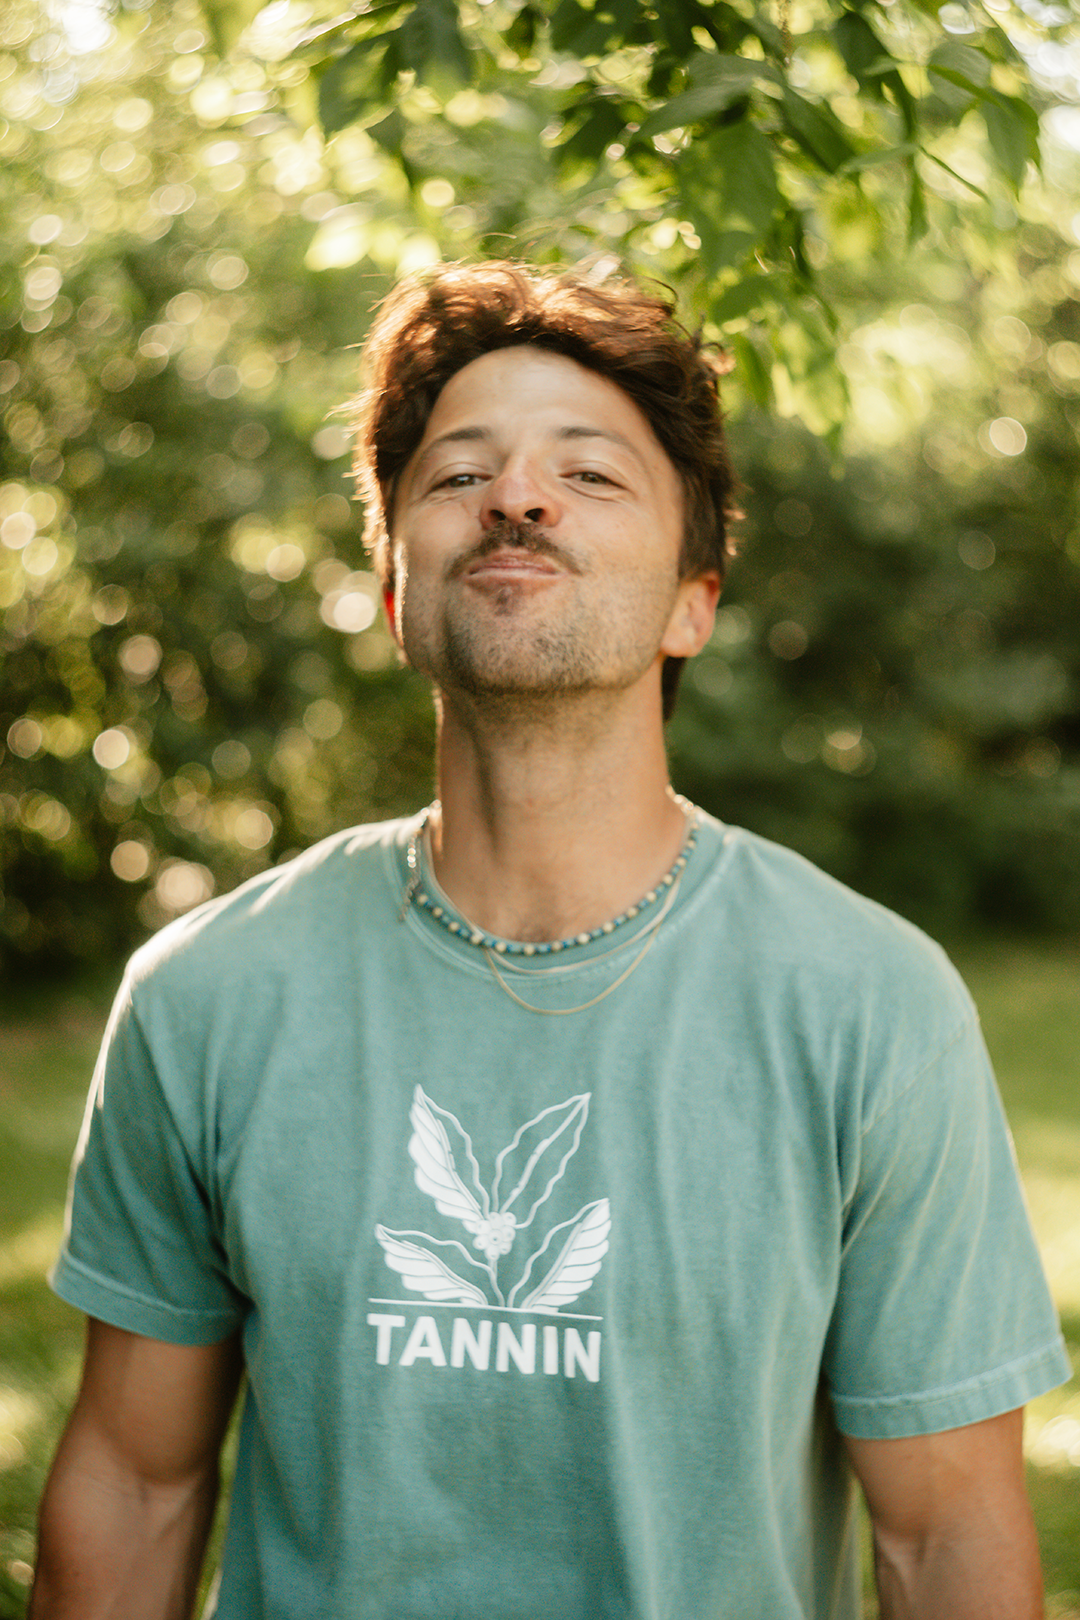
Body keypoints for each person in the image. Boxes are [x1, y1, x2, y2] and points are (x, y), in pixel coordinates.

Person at [32, 261, 1068, 1620]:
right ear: (396, 594)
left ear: (695, 600)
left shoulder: (868, 1005)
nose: (517, 496)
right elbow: (134, 1482)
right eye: (461, 474)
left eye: (588, 475)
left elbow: (945, 1540)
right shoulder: (209, 994)